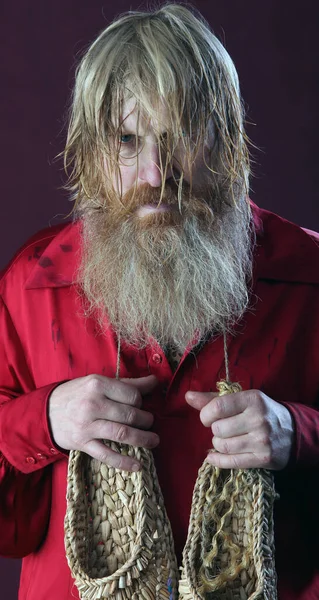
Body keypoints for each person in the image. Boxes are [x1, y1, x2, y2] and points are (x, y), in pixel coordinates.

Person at [0, 4, 318, 599]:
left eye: (180, 136)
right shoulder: (30, 284)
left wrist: (296, 432)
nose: (155, 173)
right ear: (91, 152)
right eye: (126, 140)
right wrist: (44, 418)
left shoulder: (311, 275)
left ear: (226, 141)